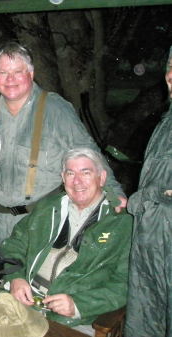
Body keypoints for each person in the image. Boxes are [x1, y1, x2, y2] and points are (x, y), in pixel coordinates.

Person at [0, 42, 126, 247]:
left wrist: (114, 193)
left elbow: (88, 153)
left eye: (18, 71)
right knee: (2, 278)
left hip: (43, 222)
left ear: (31, 74)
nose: (10, 79)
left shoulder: (54, 107)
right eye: (3, 72)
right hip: (1, 223)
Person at [0, 148, 133, 334]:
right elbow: (14, 244)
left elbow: (126, 283)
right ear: (63, 178)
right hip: (23, 300)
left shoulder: (122, 223)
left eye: (86, 173)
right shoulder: (48, 207)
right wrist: (15, 277)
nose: (77, 181)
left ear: (102, 178)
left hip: (72, 318)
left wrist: (78, 305)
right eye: (70, 173)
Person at [124, 46, 172, 337]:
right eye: (169, 67)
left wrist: (152, 195)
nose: (170, 75)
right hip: (150, 247)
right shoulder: (166, 122)